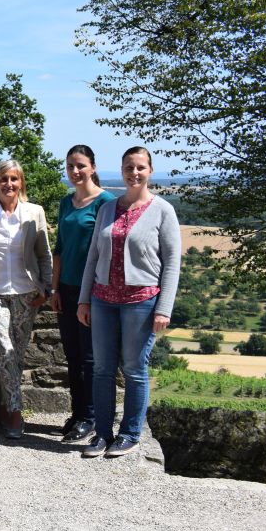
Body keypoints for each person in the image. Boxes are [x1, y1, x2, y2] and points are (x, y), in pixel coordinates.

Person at [77, 146, 180, 459]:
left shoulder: (162, 210)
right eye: (128, 167)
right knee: (102, 369)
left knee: (135, 369)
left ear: (149, 170)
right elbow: (93, 255)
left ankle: (130, 434)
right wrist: (84, 300)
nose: (134, 173)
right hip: (103, 299)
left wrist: (164, 308)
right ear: (121, 170)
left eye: (140, 167)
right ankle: (102, 435)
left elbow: (173, 261)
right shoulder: (108, 208)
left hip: (142, 301)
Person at [0, 160, 52, 440]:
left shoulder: (34, 212)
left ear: (21, 182)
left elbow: (44, 253)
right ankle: (15, 411)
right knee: (4, 347)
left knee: (17, 355)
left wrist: (46, 288)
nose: (8, 184)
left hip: (26, 293)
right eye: (3, 179)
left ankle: (4, 404)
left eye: (13, 179)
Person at [48, 144, 115, 443]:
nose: (75, 171)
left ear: (93, 167)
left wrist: (90, 294)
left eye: (80, 165)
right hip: (67, 288)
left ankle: (90, 417)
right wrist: (54, 288)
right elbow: (59, 248)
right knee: (72, 356)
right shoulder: (66, 203)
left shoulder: (106, 203)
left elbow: (108, 251)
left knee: (90, 358)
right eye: (70, 166)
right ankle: (78, 414)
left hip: (93, 290)